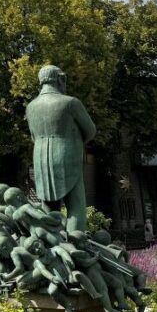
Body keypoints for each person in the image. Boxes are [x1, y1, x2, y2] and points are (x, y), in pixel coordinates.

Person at [25, 65, 96, 233]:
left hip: (40, 158)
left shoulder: (31, 107)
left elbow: (33, 136)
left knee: (49, 207)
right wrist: (74, 140)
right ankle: (76, 247)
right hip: (68, 154)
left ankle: (51, 245)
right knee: (76, 206)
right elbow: (90, 130)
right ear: (60, 79)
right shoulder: (70, 103)